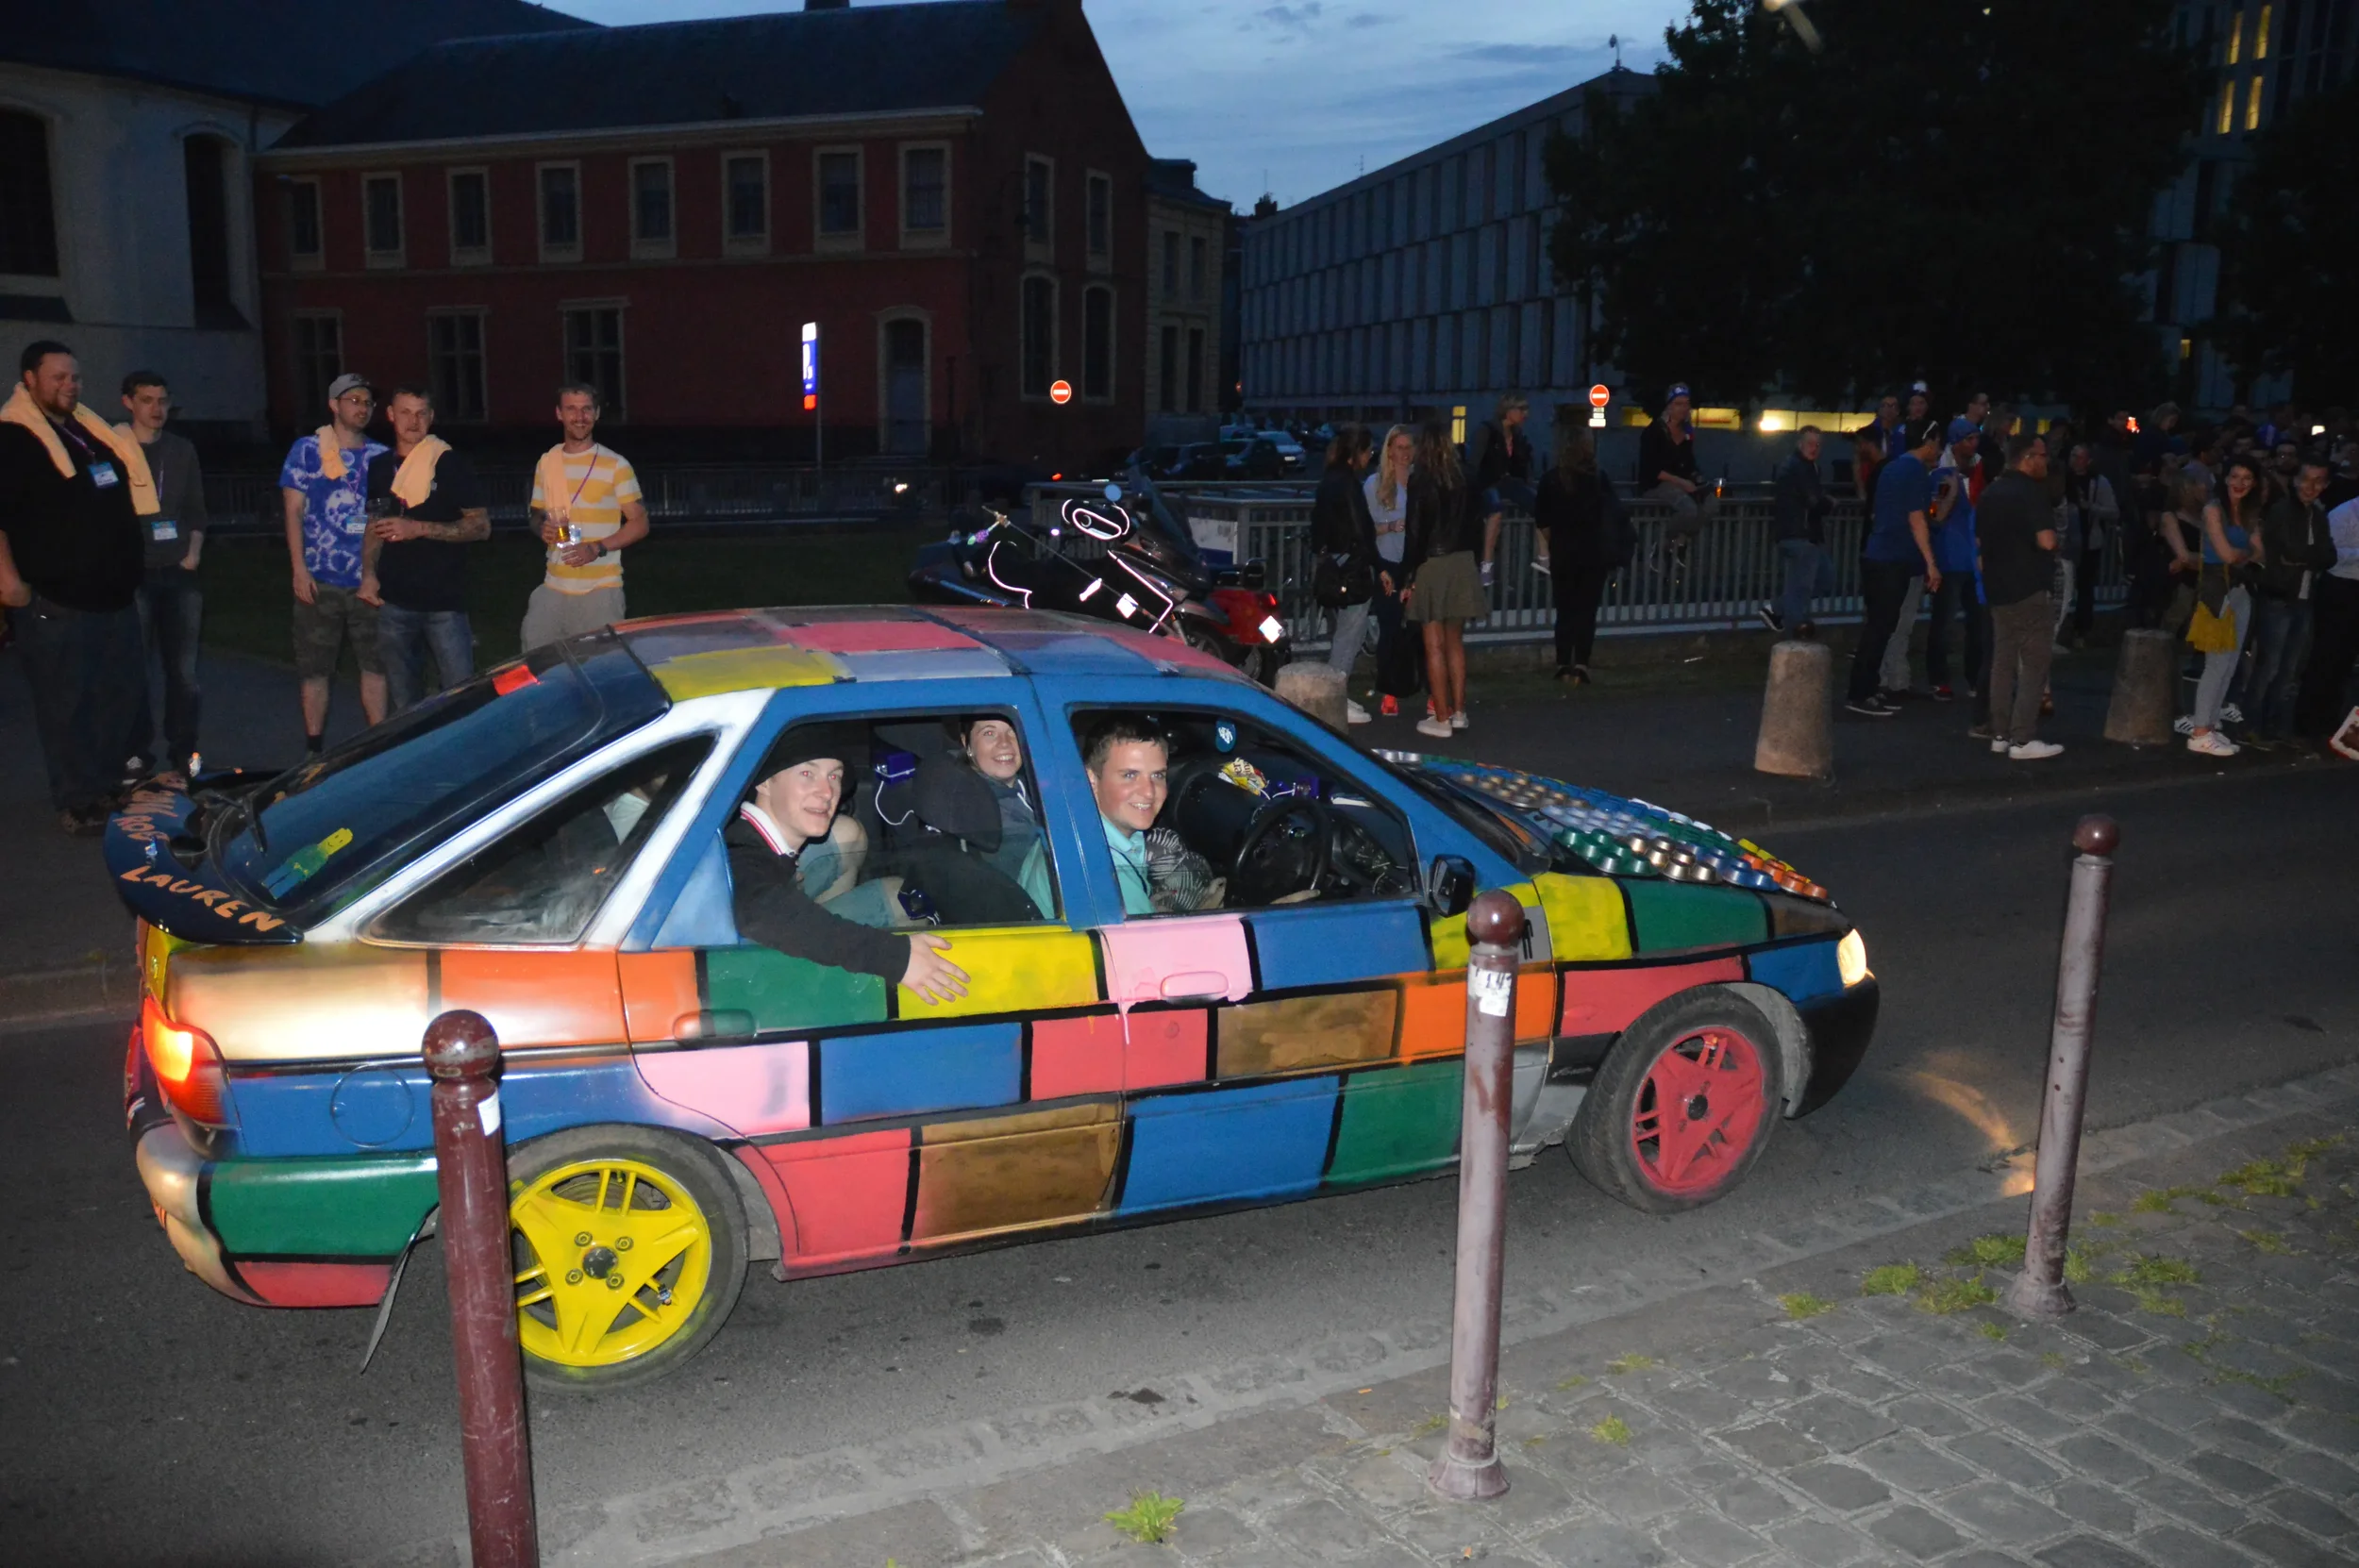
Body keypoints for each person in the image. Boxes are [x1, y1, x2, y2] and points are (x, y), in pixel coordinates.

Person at [0, 341, 151, 833]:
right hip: (57, 600)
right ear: (29, 380)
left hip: (113, 598)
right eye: (58, 377)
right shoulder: (15, 437)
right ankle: (77, 799)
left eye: (75, 377)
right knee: (67, 707)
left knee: (115, 700)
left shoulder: (88, 431)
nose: (70, 385)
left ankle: (106, 785)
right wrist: (9, 583)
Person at [728, 721, 968, 1003]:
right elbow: (761, 914)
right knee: (904, 906)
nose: (827, 792)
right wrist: (896, 958)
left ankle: (823, 935)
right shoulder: (739, 854)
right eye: (807, 773)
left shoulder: (750, 833)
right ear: (765, 781)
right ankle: (828, 969)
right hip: (752, 980)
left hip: (780, 915)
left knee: (851, 837)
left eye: (834, 776)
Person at [360, 386, 487, 712]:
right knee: (405, 705)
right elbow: (374, 526)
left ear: (431, 418)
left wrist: (418, 528)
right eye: (405, 412)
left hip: (444, 602)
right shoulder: (379, 467)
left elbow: (481, 527)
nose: (413, 421)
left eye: (421, 413)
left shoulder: (449, 464)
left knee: (460, 699)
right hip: (394, 601)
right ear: (390, 415)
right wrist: (369, 574)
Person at [280, 372, 389, 751]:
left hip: (366, 581)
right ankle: (314, 749)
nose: (361, 408)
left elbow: (378, 518)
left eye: (366, 403)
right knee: (315, 668)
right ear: (333, 405)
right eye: (353, 400)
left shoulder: (379, 456)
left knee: (375, 665)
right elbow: (293, 511)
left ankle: (379, 744)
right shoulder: (307, 451)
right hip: (319, 578)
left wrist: (373, 574)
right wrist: (298, 568)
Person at [117, 370, 209, 784]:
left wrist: (192, 555)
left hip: (178, 573)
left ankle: (184, 750)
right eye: (147, 400)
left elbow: (196, 509)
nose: (156, 409)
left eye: (162, 401)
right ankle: (134, 753)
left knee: (183, 670)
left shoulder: (181, 450)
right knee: (134, 667)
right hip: (133, 574)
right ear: (128, 403)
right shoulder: (114, 449)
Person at [521, 384, 647, 650]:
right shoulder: (547, 463)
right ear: (559, 414)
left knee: (599, 672)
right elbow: (536, 514)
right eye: (571, 409)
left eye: (586, 409)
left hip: (599, 592)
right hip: (552, 587)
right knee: (538, 671)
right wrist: (541, 527)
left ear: (597, 413)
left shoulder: (616, 465)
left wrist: (596, 547)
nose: (579, 417)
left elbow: (640, 523)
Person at [1847, 418, 1948, 718]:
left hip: (1880, 555)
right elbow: (1917, 520)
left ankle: (1866, 687)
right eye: (1938, 443)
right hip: (1891, 559)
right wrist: (1931, 564)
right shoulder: (1914, 470)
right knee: (1880, 627)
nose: (1939, 450)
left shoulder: (1894, 467)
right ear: (1928, 442)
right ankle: (1859, 692)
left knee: (1879, 626)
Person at [1021, 714, 1168, 917]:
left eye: (1158, 775)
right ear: (1091, 778)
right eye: (1130, 775)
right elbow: (1156, 947)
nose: (1149, 792)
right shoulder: (1104, 868)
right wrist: (1206, 910)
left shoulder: (1067, 824)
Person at [1976, 431, 2062, 760]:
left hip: (1998, 588)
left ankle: (1999, 733)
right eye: (2042, 456)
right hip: (2029, 587)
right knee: (2035, 663)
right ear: (2027, 458)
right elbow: (2046, 541)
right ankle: (2023, 738)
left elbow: (1982, 547)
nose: (2046, 462)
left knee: (2002, 661)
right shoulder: (2031, 492)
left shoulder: (1991, 492)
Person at [2242, 459, 2337, 750]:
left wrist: (2305, 558)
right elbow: (2292, 550)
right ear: (2296, 480)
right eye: (2307, 479)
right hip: (2279, 595)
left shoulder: (2317, 515)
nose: (2312, 487)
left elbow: (2328, 555)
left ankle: (2277, 726)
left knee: (2291, 668)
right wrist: (2309, 557)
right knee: (2270, 665)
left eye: (2318, 481)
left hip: (2303, 596)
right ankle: (2252, 726)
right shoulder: (2283, 512)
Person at [1400, 420, 1481, 739]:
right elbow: (1478, 522)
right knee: (1455, 643)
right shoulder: (1466, 478)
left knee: (1432, 644)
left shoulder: (1421, 481)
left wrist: (1408, 576)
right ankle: (1460, 711)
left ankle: (1442, 716)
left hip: (1432, 563)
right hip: (1462, 561)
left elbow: (1415, 533)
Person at [2187, 456, 2267, 757]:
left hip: (2240, 587)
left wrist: (2243, 553)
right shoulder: (2213, 509)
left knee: (2230, 663)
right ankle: (2200, 730)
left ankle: (2210, 723)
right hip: (2217, 588)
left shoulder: (2249, 513)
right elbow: (2226, 552)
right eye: (2235, 476)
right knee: (2217, 663)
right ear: (2226, 479)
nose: (2240, 483)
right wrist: (2246, 553)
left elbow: (2261, 554)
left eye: (2247, 478)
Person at [1311, 423, 1380, 723]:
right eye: (1369, 451)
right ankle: (1336, 694)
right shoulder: (1349, 484)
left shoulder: (1329, 480)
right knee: (1350, 633)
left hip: (1332, 562)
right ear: (1359, 453)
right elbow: (1361, 529)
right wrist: (1374, 562)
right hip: (1350, 564)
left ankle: (1335, 691)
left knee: (1343, 630)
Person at [1924, 420, 1985, 705]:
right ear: (1958, 442)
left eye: (1976, 439)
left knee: (1978, 623)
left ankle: (1975, 676)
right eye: (1969, 439)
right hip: (1950, 558)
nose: (1974, 445)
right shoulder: (1943, 475)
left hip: (1972, 561)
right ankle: (1939, 678)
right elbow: (1935, 515)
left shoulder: (1978, 475)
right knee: (1944, 622)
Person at [2294, 488, 2359, 748]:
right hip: (2340, 589)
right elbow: (2328, 555)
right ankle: (2308, 721)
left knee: (2345, 660)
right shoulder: (2344, 513)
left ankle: (2332, 718)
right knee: (2327, 655)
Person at [1362, 424, 1414, 717]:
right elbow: (1366, 530)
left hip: (1416, 565)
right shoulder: (1375, 484)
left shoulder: (1420, 481)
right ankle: (1389, 691)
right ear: (1390, 450)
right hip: (1388, 565)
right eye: (1400, 447)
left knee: (1418, 629)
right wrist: (1390, 527)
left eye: (1409, 447)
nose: (1405, 453)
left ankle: (1424, 689)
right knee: (1390, 628)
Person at [1762, 425, 1833, 638]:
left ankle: (1777, 609)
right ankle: (1796, 631)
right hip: (1798, 534)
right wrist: (1828, 503)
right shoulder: (1799, 467)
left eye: (1818, 444)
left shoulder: (1804, 466)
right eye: (1810, 443)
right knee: (1804, 585)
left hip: (1803, 533)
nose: (1815, 448)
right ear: (1800, 444)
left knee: (1823, 578)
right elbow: (1814, 501)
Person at [959, 715, 1043, 884]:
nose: (1005, 742)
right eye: (989, 733)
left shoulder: (1032, 783)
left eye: (1014, 732)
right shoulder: (981, 808)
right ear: (967, 744)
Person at [1466, 391, 1533, 583]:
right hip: (1486, 482)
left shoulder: (1517, 434)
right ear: (1508, 410)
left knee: (1542, 503)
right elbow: (1474, 465)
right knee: (1495, 508)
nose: (1525, 414)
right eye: (1521, 409)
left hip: (1504, 481)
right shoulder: (1486, 430)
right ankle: (1487, 564)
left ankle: (1544, 556)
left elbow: (1518, 467)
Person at [2060, 442, 2118, 647]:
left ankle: (2081, 631)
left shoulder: (2098, 482)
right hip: (2064, 542)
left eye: (2080, 457)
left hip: (2088, 541)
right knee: (2062, 587)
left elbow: (2112, 511)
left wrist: (2090, 507)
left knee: (2085, 589)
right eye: (2073, 455)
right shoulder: (2061, 478)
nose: (2075, 460)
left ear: (2089, 461)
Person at [1638, 383, 1708, 527]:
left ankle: (1681, 541)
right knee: (1688, 509)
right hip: (1656, 486)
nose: (1683, 408)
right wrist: (1682, 482)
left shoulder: (1687, 432)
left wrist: (1696, 479)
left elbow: (1688, 463)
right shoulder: (1654, 432)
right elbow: (1653, 470)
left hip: (1679, 484)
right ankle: (1667, 543)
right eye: (1678, 404)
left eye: (1686, 404)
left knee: (1710, 505)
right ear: (1669, 406)